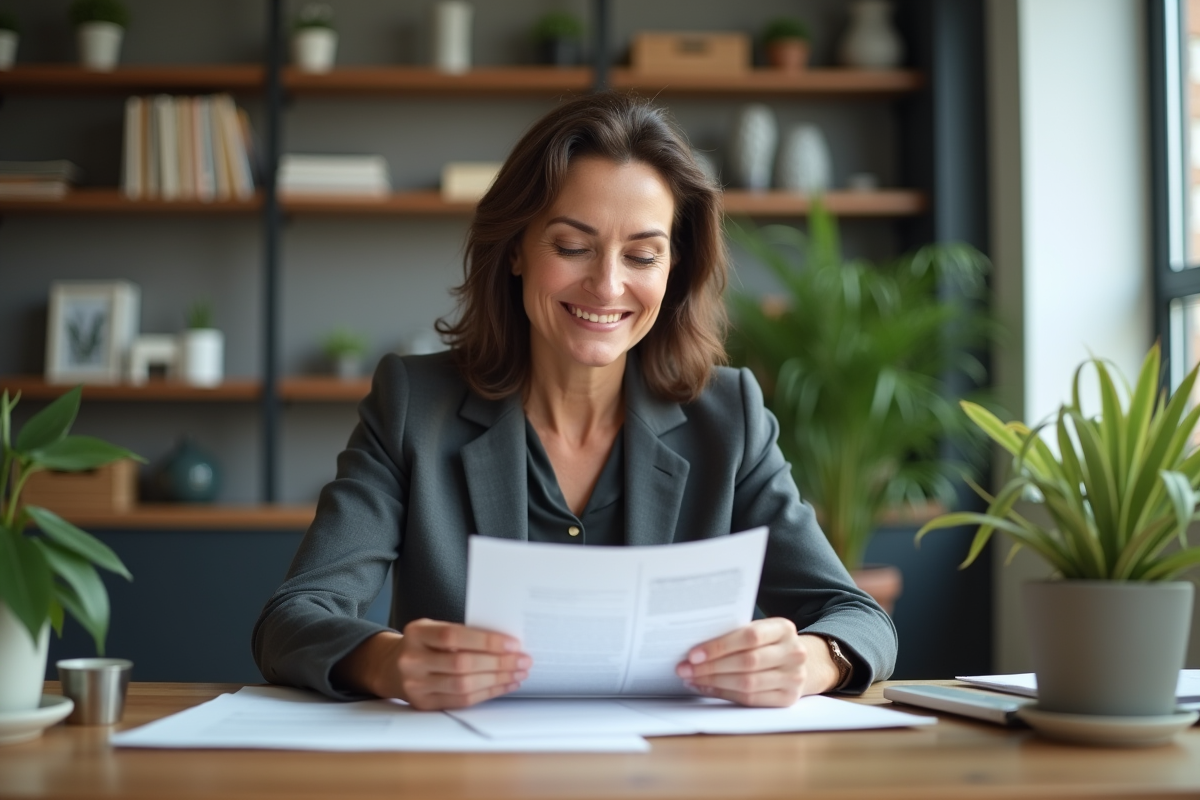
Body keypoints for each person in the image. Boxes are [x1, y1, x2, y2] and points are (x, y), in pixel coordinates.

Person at [252, 92, 897, 711]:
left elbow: (858, 618)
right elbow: (294, 617)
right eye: (572, 247)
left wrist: (814, 659)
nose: (608, 285)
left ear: (674, 270)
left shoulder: (730, 418)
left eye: (643, 254)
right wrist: (387, 662)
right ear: (514, 250)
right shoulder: (414, 406)